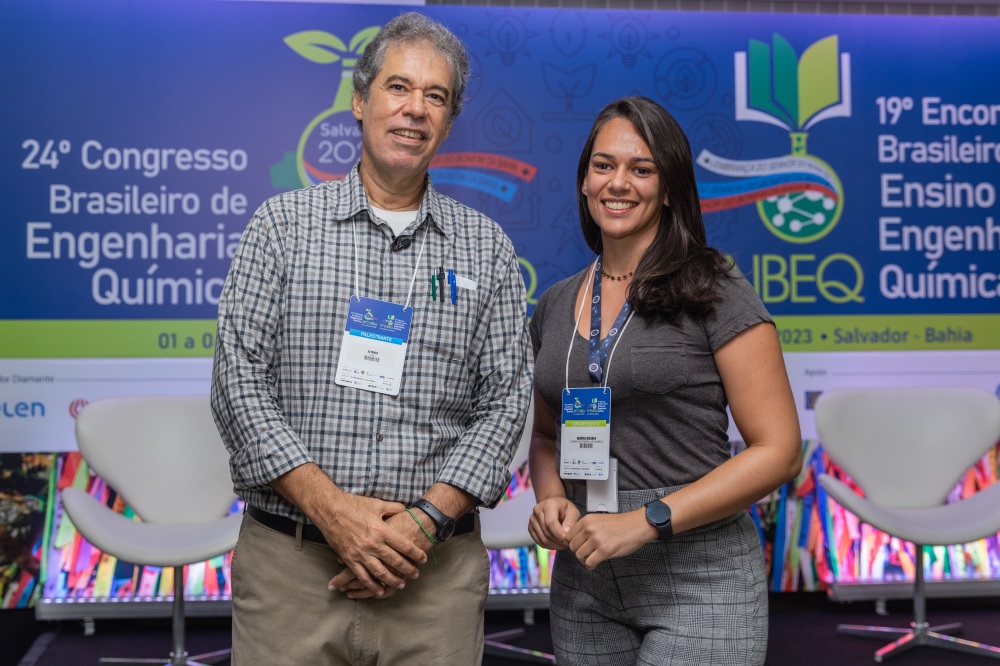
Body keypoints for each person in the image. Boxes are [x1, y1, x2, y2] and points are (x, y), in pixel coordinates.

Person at [210, 12, 532, 665]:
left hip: (432, 577)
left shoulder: (488, 249)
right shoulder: (280, 228)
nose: (415, 109)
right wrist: (334, 512)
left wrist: (422, 523)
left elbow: (505, 404)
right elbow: (237, 383)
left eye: (436, 96)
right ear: (359, 101)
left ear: (448, 121)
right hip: (293, 571)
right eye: (398, 87)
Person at [527, 96, 802, 665]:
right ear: (584, 181)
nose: (618, 183)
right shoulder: (554, 304)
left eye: (642, 168)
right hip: (585, 576)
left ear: (669, 187)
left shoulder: (715, 290)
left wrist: (647, 521)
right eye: (603, 165)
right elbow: (548, 435)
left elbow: (779, 452)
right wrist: (551, 497)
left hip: (698, 572)